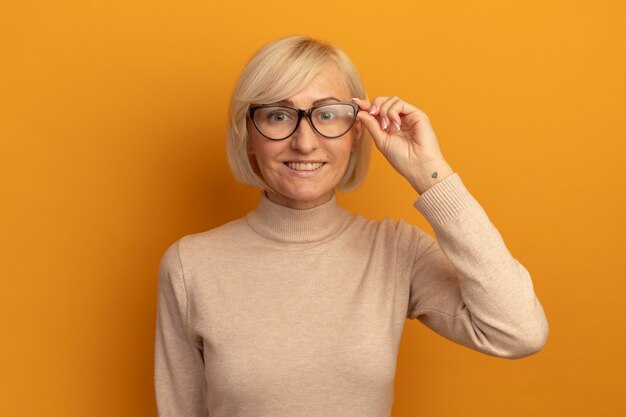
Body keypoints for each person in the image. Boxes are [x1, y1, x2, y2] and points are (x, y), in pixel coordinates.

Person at [154, 35, 549, 417]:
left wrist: (429, 174)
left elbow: (519, 331)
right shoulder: (191, 266)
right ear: (248, 136)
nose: (304, 143)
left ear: (357, 131)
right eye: (278, 116)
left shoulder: (395, 251)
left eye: (327, 115)